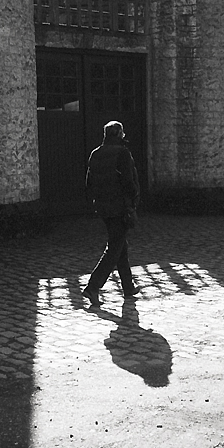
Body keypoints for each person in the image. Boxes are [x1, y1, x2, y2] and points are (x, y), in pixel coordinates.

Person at [83, 120, 140, 308]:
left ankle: (128, 286)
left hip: (103, 206)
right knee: (115, 247)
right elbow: (128, 182)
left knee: (119, 243)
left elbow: (89, 183)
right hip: (120, 206)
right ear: (119, 134)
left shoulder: (95, 154)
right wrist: (133, 200)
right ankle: (93, 286)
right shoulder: (122, 153)